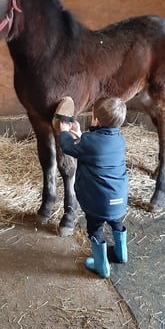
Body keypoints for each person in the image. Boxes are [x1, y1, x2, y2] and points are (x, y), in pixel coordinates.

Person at [54, 96, 129, 278]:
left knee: (95, 229)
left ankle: (101, 266)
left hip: (98, 202)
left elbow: (69, 148)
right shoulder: (119, 140)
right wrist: (80, 134)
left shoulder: (89, 141)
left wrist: (64, 132)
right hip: (119, 200)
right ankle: (121, 254)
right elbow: (95, 149)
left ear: (96, 120)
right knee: (116, 222)